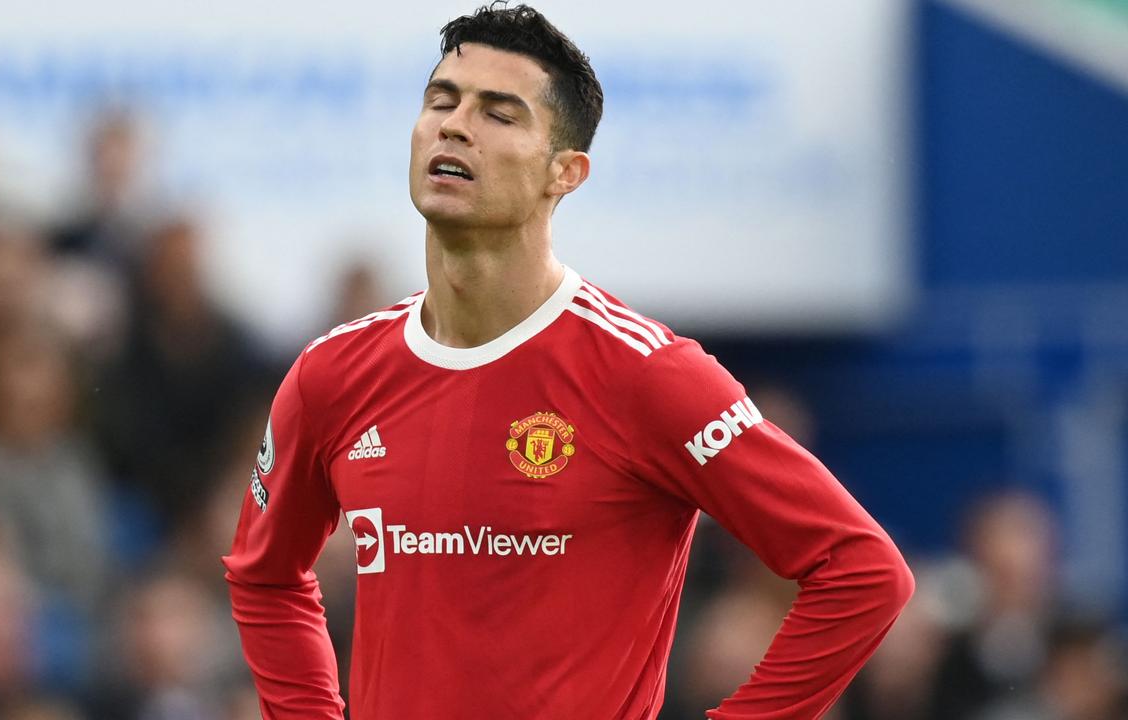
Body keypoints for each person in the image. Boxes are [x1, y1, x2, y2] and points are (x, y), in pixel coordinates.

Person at [224, 4, 914, 718]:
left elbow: (861, 571)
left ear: (567, 172)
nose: (454, 124)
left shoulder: (645, 375)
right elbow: (264, 576)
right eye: (441, 100)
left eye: (500, 114)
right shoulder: (332, 375)